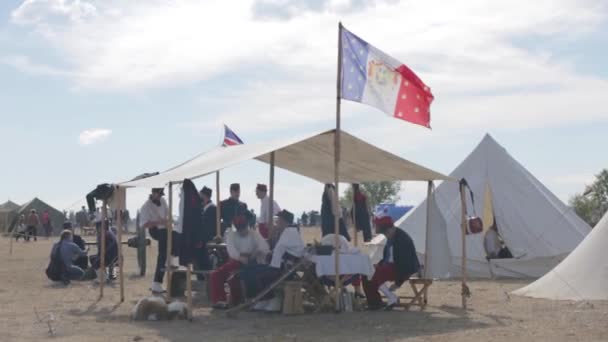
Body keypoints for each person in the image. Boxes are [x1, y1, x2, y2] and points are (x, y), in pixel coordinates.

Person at [209, 215, 269, 309]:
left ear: (247, 226)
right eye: (240, 229)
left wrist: (256, 252)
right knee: (216, 275)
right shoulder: (232, 235)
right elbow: (231, 251)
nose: (242, 231)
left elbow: (265, 247)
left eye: (243, 228)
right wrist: (240, 258)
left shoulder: (254, 234)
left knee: (237, 277)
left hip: (252, 262)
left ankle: (239, 300)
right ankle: (220, 300)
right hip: (236, 261)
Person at [363, 216, 420, 310]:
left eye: (386, 233)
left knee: (375, 272)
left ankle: (391, 297)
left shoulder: (403, 240)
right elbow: (388, 257)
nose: (386, 235)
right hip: (390, 266)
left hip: (401, 268)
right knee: (366, 272)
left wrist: (398, 283)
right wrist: (379, 264)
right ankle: (374, 302)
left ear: (390, 229)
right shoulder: (391, 236)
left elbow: (406, 264)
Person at [140, 188, 172, 294]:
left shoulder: (163, 201)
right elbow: (144, 224)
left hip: (165, 229)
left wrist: (167, 220)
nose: (160, 197)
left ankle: (171, 259)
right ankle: (156, 283)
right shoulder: (146, 206)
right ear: (153, 193)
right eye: (158, 194)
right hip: (155, 230)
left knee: (168, 250)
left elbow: (167, 212)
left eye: (161, 195)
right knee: (162, 254)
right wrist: (158, 222)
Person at [194, 186, 216, 279]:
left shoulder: (211, 209)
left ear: (205, 196)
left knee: (202, 262)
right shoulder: (205, 208)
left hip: (206, 239)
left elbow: (208, 227)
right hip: (202, 240)